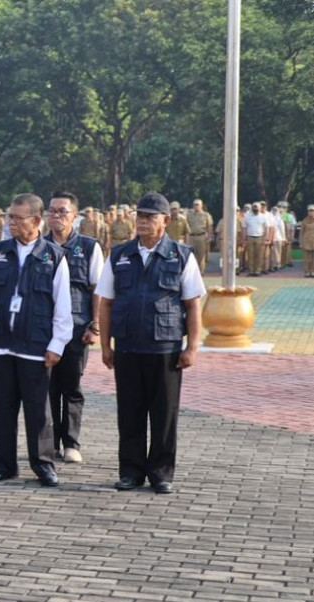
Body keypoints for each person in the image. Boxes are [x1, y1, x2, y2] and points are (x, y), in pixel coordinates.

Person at [98, 192, 203, 494]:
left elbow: (193, 305)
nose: (142, 221)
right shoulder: (119, 255)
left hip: (165, 349)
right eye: (140, 216)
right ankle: (130, 471)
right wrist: (106, 346)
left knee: (164, 414)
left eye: (150, 217)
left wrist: (192, 347)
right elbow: (106, 303)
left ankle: (161, 472)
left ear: (166, 221)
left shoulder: (181, 255)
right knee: (129, 412)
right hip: (128, 347)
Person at [0, 194, 72, 488]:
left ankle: (43, 465)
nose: (11, 223)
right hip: (3, 344)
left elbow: (63, 306)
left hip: (36, 346)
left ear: (36, 220)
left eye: (18, 218)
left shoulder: (53, 256)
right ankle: (4, 465)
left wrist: (57, 344)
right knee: (4, 408)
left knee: (38, 410)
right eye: (10, 217)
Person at [43, 192, 103, 464]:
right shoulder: (38, 246)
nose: (56, 216)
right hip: (44, 329)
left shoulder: (89, 247)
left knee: (72, 387)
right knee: (47, 389)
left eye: (62, 212)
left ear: (74, 216)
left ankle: (71, 443)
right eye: (52, 211)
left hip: (77, 328)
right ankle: (49, 443)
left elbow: (97, 289)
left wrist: (96, 326)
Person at [302, 206, 314, 278]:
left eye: (312, 211)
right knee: (307, 258)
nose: (311, 212)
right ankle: (306, 271)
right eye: (310, 211)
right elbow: (301, 232)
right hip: (306, 241)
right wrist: (301, 242)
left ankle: (312, 271)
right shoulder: (304, 221)